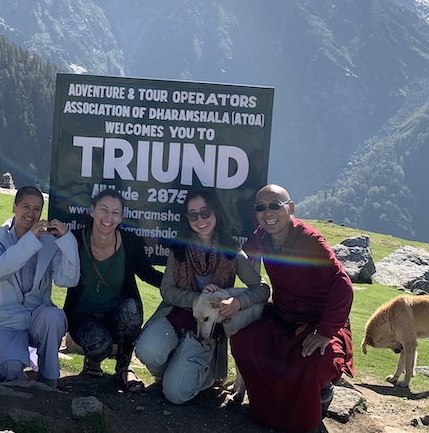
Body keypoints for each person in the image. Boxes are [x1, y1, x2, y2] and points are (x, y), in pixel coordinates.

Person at [230, 184, 354, 433]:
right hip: (282, 318)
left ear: (291, 208)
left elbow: (343, 285)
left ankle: (322, 394)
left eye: (275, 205)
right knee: (245, 342)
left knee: (316, 361)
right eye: (261, 208)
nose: (268, 213)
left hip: (318, 322)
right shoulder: (262, 237)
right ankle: (268, 408)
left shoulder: (310, 240)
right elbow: (242, 254)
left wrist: (325, 332)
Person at [134, 189, 270, 405]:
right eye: (193, 215)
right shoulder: (178, 249)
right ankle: (180, 367)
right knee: (146, 350)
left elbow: (262, 289)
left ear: (215, 213)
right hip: (176, 316)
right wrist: (197, 299)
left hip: (209, 329)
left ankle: (203, 375)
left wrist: (237, 303)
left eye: (205, 213)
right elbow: (167, 290)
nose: (200, 220)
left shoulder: (232, 251)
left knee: (175, 394)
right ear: (187, 219)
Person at [64, 188, 163, 392]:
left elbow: (147, 273)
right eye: (104, 210)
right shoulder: (74, 239)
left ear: (121, 217)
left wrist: (182, 285)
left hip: (117, 313)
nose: (108, 218)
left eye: (115, 212)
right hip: (83, 315)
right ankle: (93, 361)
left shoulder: (130, 241)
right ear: (92, 211)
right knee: (101, 346)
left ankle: (124, 367)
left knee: (132, 310)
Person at [0, 186, 80, 387]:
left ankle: (49, 378)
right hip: (7, 320)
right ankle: (6, 351)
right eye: (25, 206)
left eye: (37, 208)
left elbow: (67, 280)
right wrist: (29, 240)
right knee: (9, 370)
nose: (31, 213)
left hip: (38, 315)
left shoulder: (49, 242)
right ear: (14, 207)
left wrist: (66, 240)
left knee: (54, 316)